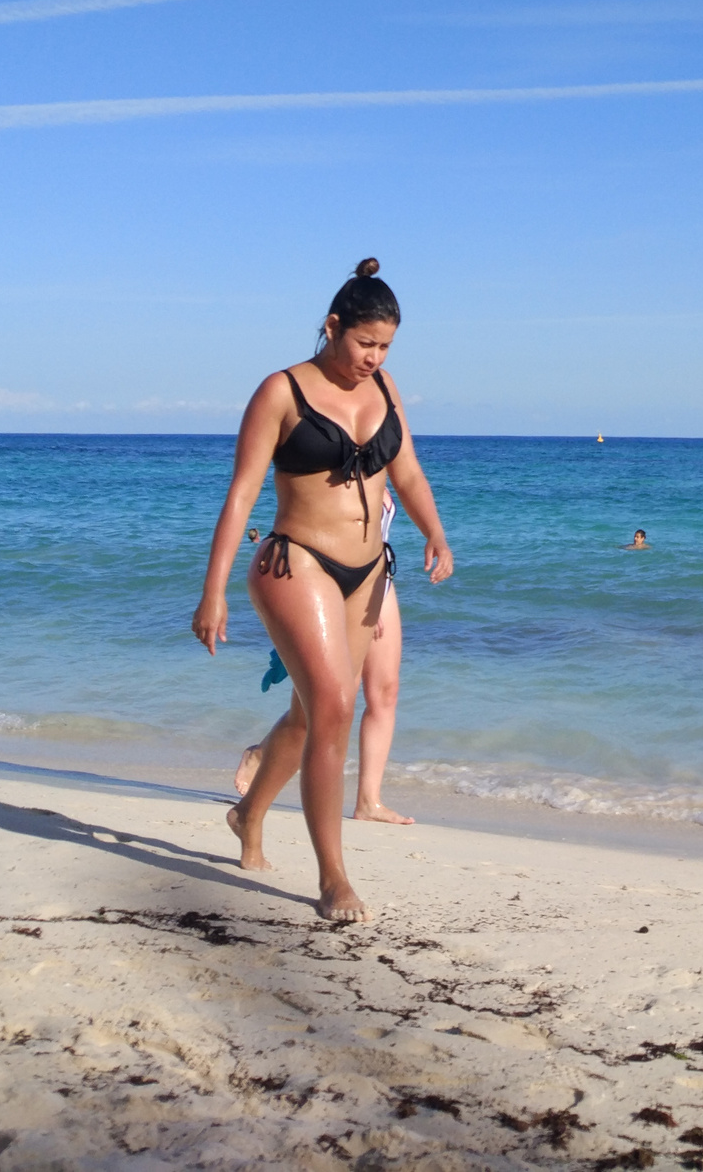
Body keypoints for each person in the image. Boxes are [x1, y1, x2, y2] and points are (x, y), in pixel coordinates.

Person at [191, 259, 453, 922]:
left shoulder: (384, 387)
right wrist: (213, 591)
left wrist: (435, 533)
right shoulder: (281, 392)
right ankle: (334, 878)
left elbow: (409, 472)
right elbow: (241, 494)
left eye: (385, 346)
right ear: (333, 326)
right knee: (335, 706)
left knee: (311, 717)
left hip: (368, 573)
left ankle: (248, 814)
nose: (375, 358)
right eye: (365, 343)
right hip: (295, 563)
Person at [235, 481, 414, 824]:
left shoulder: (378, 468)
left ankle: (369, 801)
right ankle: (260, 754)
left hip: (378, 579)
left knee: (386, 692)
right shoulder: (331, 471)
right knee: (323, 705)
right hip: (339, 586)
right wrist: (358, 601)